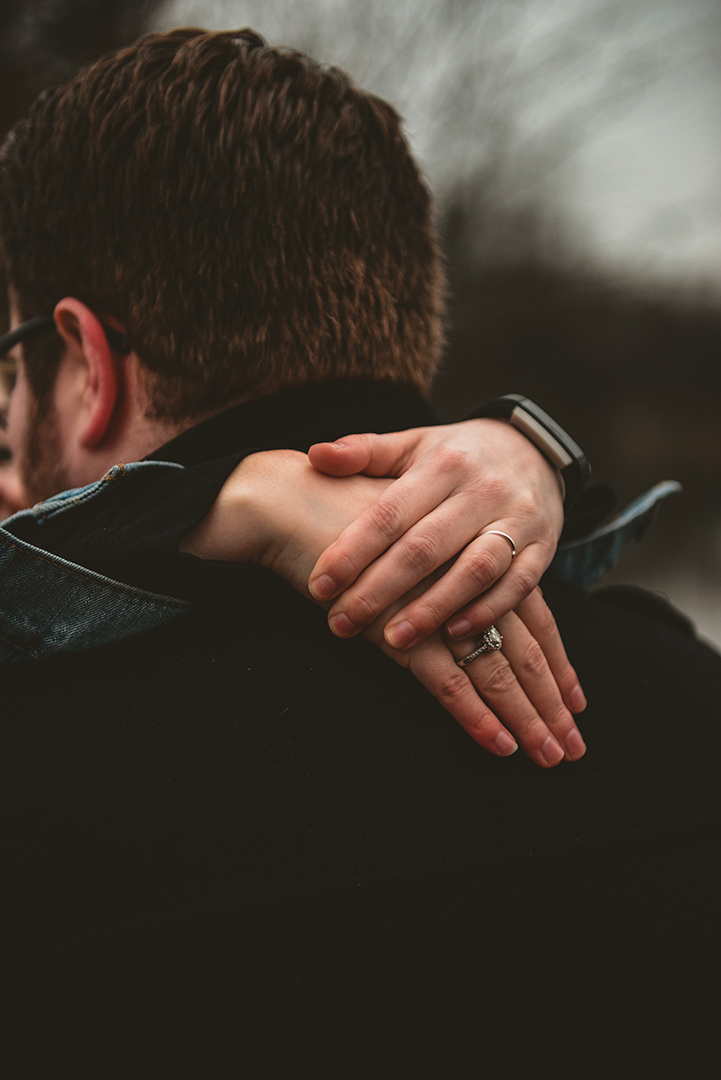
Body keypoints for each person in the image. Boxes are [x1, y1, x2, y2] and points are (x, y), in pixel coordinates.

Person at [0, 27, 718, 1052]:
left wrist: (179, 514)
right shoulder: (692, 705)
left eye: (12, 366)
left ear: (86, 360)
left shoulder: (34, 783)